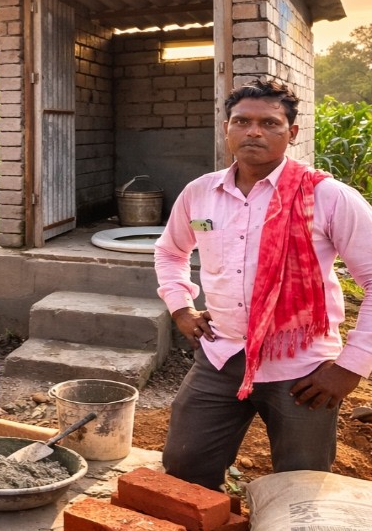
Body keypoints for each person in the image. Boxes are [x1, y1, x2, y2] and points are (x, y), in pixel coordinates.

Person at [155, 78, 372, 491]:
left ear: (291, 133)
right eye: (242, 121)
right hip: (222, 354)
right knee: (185, 466)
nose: (253, 131)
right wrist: (180, 307)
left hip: (304, 368)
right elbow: (170, 252)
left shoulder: (328, 197)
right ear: (226, 128)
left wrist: (351, 367)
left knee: (301, 483)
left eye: (269, 123)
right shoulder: (200, 194)